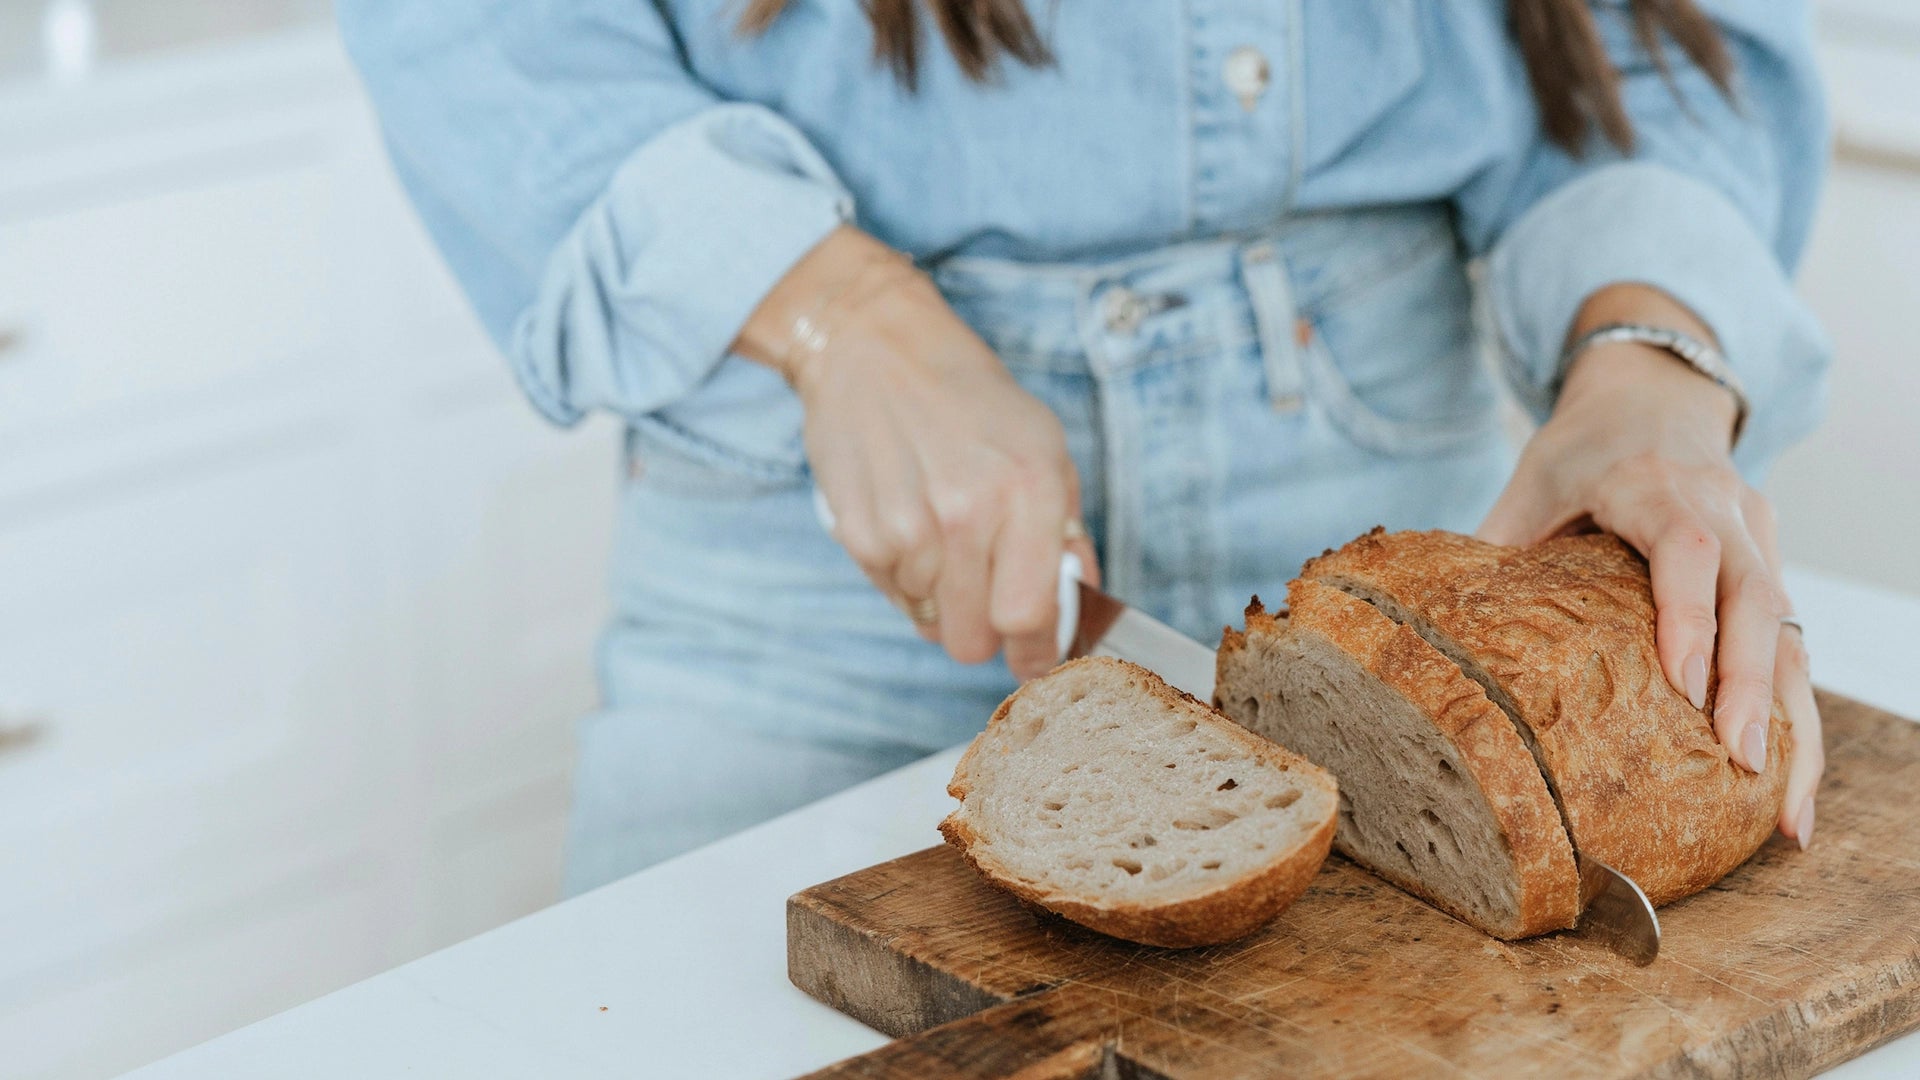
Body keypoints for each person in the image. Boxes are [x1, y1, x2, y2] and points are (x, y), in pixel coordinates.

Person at [338, 1, 1829, 895]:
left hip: (1404, 585)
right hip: (813, 579)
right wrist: (831, 314)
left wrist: (1651, 356)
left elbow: (1664, 45)